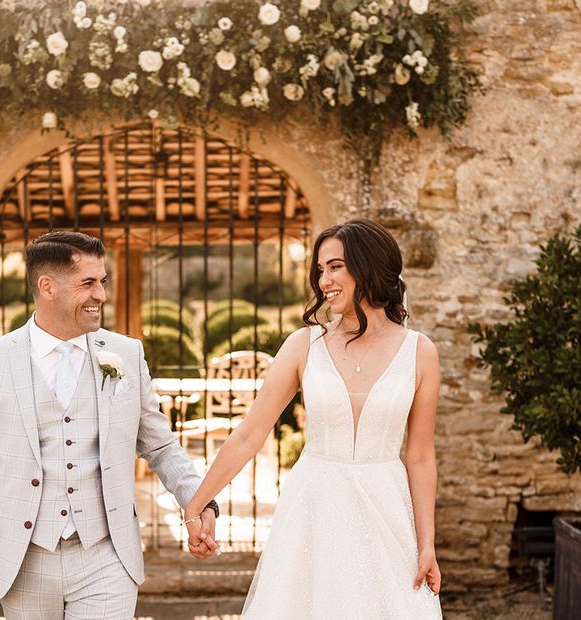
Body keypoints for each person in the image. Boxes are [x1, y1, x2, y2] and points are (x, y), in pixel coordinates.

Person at [0, 231, 220, 620]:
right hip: (22, 561)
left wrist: (198, 501)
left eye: (102, 282)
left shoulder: (125, 353)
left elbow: (160, 447)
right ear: (47, 287)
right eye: (87, 283)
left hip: (106, 554)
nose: (100, 294)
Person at [183, 219, 443, 618]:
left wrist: (427, 544)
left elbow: (421, 456)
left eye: (336, 266)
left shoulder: (420, 352)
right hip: (315, 507)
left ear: (369, 266)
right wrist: (197, 505)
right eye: (321, 270)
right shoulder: (304, 346)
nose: (324, 281)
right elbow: (250, 434)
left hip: (387, 509)